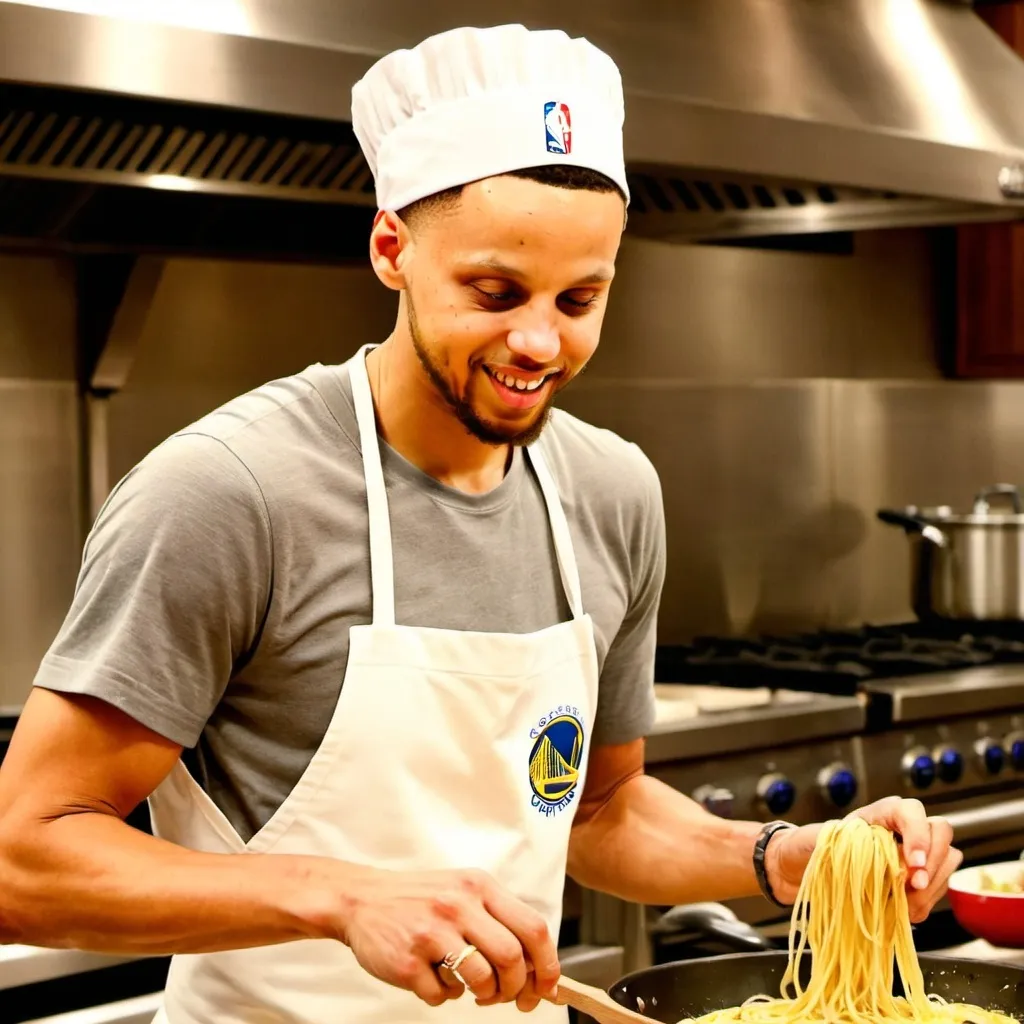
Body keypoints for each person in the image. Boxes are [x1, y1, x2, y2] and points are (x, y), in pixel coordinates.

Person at [0, 22, 958, 1024]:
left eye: (580, 298)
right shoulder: (230, 492)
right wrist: (339, 893)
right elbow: (25, 858)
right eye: (494, 292)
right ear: (391, 250)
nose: (539, 341)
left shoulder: (610, 490)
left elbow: (599, 812)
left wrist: (778, 856)